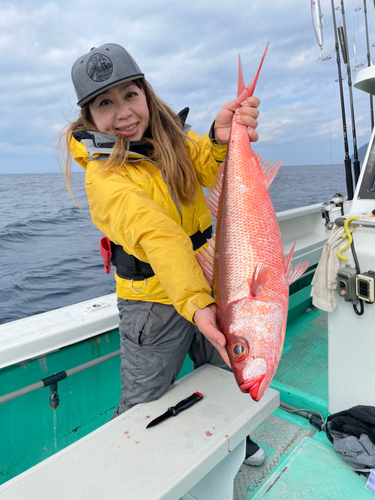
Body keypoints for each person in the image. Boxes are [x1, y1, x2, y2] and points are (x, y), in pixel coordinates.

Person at [60, 43, 265, 466]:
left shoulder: (173, 136)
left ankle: (236, 437)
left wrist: (218, 137)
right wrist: (195, 304)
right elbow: (160, 236)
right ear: (89, 117)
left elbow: (206, 168)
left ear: (146, 94)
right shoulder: (104, 177)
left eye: (130, 95)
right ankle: (130, 466)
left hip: (210, 285)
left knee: (228, 374)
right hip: (152, 304)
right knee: (144, 398)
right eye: (105, 103)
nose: (123, 113)